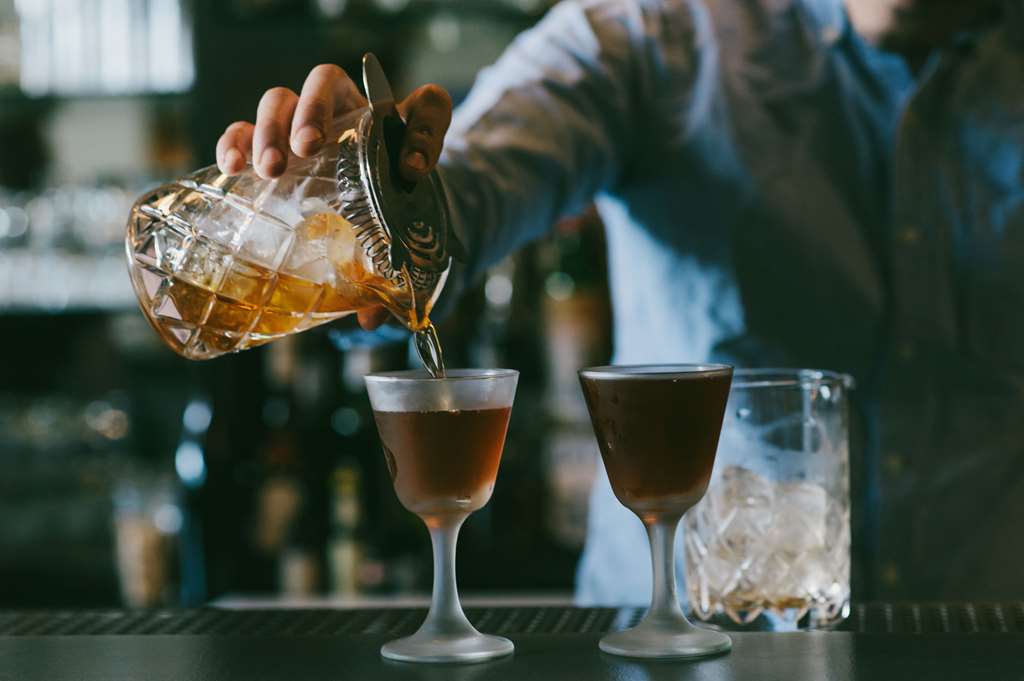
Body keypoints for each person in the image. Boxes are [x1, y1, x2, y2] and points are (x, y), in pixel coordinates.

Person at [216, 0, 1024, 603]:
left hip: (989, 630)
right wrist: (377, 192)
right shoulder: (649, 30)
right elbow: (471, 187)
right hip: (684, 643)